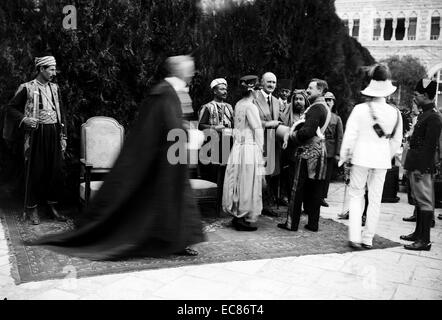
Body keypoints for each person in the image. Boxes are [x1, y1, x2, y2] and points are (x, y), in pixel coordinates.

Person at [26, 55, 205, 260]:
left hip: (174, 158)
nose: (191, 72)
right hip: (164, 160)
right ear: (178, 70)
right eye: (189, 69)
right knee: (163, 202)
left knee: (176, 202)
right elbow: (165, 126)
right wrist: (190, 137)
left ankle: (177, 241)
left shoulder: (177, 90)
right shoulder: (164, 92)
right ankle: (164, 241)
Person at [339, 64, 403, 250]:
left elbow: (350, 135)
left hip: (361, 158)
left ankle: (355, 237)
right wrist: (386, 155)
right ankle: (368, 238)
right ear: (388, 90)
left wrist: (344, 156)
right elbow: (396, 141)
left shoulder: (360, 109)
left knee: (357, 196)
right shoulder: (395, 113)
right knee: (375, 200)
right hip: (382, 160)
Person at [6, 56, 68, 225]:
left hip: (53, 133)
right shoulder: (27, 87)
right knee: (36, 171)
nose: (54, 73)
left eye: (54, 69)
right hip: (36, 134)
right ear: (41, 69)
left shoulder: (55, 88)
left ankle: (52, 207)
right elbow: (11, 108)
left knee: (55, 171)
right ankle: (32, 209)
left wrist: (64, 135)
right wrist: (24, 120)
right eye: (51, 69)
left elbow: (62, 112)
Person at [278, 79, 330, 232]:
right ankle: (313, 224)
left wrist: (291, 135)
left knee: (297, 188)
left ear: (320, 91)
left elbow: (307, 132)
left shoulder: (315, 108)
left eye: (310, 88)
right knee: (315, 190)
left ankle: (291, 223)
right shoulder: (325, 107)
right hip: (320, 152)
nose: (307, 90)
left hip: (307, 153)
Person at [400, 79, 442, 251]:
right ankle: (418, 233)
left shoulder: (433, 117)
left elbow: (430, 147)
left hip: (422, 167)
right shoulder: (425, 114)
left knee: (425, 202)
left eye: (416, 95)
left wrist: (421, 169)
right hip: (416, 165)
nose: (414, 97)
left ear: (425, 95)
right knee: (418, 201)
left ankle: (424, 240)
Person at [222, 75, 264, 231]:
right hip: (248, 147)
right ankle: (243, 216)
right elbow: (257, 129)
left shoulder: (239, 104)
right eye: (258, 90)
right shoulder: (251, 106)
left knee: (238, 179)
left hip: (238, 146)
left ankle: (237, 214)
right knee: (247, 181)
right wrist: (261, 150)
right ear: (254, 91)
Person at [252, 72, 283, 217]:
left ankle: (266, 204)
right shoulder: (253, 98)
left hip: (272, 143)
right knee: (257, 174)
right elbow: (250, 120)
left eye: (274, 82)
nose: (271, 85)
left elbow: (280, 120)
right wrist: (268, 124)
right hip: (258, 141)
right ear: (262, 83)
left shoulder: (277, 101)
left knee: (270, 175)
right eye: (268, 82)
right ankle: (254, 204)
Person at [198, 78, 234, 190]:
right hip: (212, 145)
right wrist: (214, 128)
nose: (225, 91)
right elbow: (200, 125)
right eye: (222, 89)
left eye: (226, 89)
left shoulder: (229, 107)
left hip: (228, 144)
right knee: (212, 176)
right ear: (215, 91)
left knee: (227, 175)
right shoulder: (207, 107)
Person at [321, 91, 343, 207]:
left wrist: (337, 153)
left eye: (330, 100)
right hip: (318, 147)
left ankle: (322, 197)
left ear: (333, 103)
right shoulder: (320, 114)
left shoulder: (337, 118)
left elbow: (339, 137)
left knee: (326, 175)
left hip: (329, 150)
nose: (327, 102)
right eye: (325, 100)